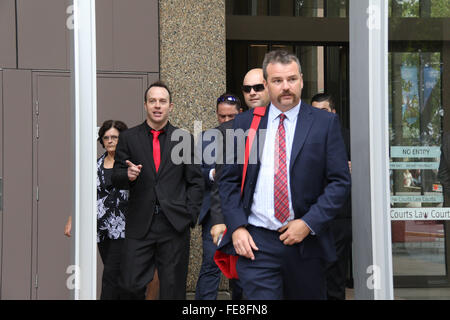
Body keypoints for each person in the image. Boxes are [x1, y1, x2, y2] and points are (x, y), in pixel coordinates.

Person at [217, 50, 351, 299]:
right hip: (257, 245)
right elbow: (228, 181)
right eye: (278, 81)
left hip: (306, 244)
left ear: (301, 79)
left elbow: (339, 182)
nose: (286, 87)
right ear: (267, 85)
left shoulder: (324, 124)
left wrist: (309, 222)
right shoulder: (245, 124)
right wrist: (236, 227)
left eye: (291, 79)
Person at [111, 81, 204, 300]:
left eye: (162, 101)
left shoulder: (183, 139)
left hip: (173, 224)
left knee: (173, 288)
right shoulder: (129, 138)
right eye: (152, 101)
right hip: (140, 223)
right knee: (130, 285)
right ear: (145, 105)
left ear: (170, 106)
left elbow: (196, 182)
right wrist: (127, 175)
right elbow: (115, 175)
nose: (157, 105)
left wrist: (189, 216)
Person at [195, 93, 241, 300]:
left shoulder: (251, 136)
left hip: (243, 212)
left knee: (243, 268)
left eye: (231, 116)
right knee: (210, 264)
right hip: (214, 213)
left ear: (240, 113)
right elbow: (195, 172)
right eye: (222, 116)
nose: (226, 121)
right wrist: (212, 174)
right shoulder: (205, 139)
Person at [311, 93, 352, 300]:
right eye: (315, 111)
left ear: (333, 113)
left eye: (324, 111)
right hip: (309, 219)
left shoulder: (348, 138)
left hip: (338, 219)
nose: (319, 116)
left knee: (334, 273)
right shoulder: (304, 137)